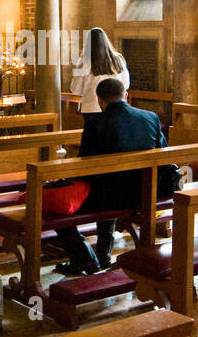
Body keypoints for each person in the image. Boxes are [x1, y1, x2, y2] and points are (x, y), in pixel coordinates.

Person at [54, 76, 166, 276]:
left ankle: (85, 259)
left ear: (99, 100)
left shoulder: (95, 123)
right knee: (111, 187)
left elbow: (84, 166)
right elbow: (163, 151)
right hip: (146, 191)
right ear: (126, 95)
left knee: (57, 210)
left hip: (111, 195)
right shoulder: (150, 117)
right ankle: (104, 255)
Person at [68, 27, 130, 119]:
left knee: (94, 133)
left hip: (91, 108)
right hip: (115, 106)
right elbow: (125, 84)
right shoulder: (118, 60)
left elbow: (76, 89)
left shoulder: (84, 62)